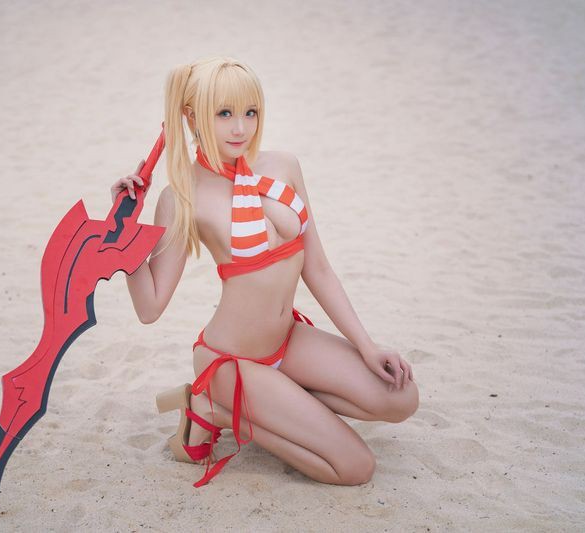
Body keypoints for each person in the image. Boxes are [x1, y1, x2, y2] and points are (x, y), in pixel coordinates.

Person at [109, 56, 418, 488]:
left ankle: (272, 404)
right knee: (355, 467)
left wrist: (367, 347)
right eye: (224, 114)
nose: (241, 128)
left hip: (288, 341)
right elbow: (150, 307)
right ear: (192, 117)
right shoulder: (181, 198)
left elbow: (319, 269)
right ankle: (215, 409)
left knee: (401, 397)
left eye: (250, 112)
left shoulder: (284, 166)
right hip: (231, 361)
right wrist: (122, 236)